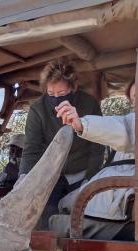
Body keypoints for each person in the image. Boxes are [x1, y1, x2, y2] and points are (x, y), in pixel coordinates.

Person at [55, 72, 138, 239]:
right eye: (132, 100)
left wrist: (82, 123)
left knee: (59, 205)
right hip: (119, 183)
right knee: (66, 201)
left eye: (136, 98)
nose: (134, 105)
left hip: (124, 187)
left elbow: (128, 129)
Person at [19, 59, 105, 229]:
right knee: (46, 220)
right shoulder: (38, 109)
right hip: (50, 175)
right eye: (51, 94)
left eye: (62, 93)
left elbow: (98, 147)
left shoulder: (89, 104)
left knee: (81, 220)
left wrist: (91, 178)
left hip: (82, 174)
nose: (56, 99)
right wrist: (24, 177)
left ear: (73, 88)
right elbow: (32, 149)